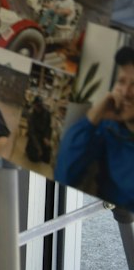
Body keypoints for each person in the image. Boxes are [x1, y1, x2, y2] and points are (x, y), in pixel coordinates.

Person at [55, 45, 134, 206]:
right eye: (121, 81)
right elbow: (64, 175)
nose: (126, 92)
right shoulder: (108, 129)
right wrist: (92, 118)